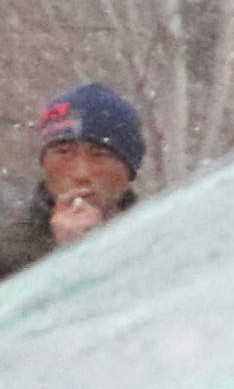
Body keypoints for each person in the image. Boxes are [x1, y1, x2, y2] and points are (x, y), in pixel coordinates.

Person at [16, 84, 144, 269]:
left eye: (100, 154)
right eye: (63, 152)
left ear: (129, 169)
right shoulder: (8, 256)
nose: (80, 173)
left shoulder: (158, 244)